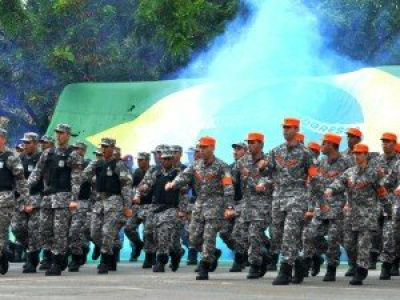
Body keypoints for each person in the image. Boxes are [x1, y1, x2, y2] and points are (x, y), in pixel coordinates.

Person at [0, 128, 29, 275]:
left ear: (4, 139)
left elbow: (21, 180)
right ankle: (4, 255)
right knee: (2, 233)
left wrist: (26, 200)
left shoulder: (11, 157)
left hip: (5, 198)